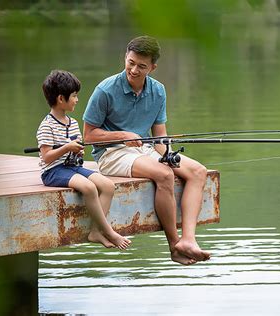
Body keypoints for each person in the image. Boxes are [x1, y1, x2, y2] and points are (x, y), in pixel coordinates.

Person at [83, 36, 210, 265]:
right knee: (164, 175)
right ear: (125, 57)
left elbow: (159, 138)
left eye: (142, 66)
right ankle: (174, 246)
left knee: (199, 171)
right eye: (130, 62)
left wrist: (167, 154)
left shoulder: (158, 91)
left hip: (146, 150)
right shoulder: (105, 90)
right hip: (111, 153)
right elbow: (88, 136)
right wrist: (123, 135)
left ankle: (188, 239)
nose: (134, 70)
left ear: (153, 67)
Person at [37, 69, 131, 250]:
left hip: (72, 168)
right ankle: (109, 231)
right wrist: (66, 148)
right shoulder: (46, 126)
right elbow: (46, 157)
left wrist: (77, 152)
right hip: (53, 171)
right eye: (74, 96)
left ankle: (95, 231)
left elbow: (75, 148)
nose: (77, 99)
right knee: (88, 188)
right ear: (60, 99)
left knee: (108, 186)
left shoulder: (72, 122)